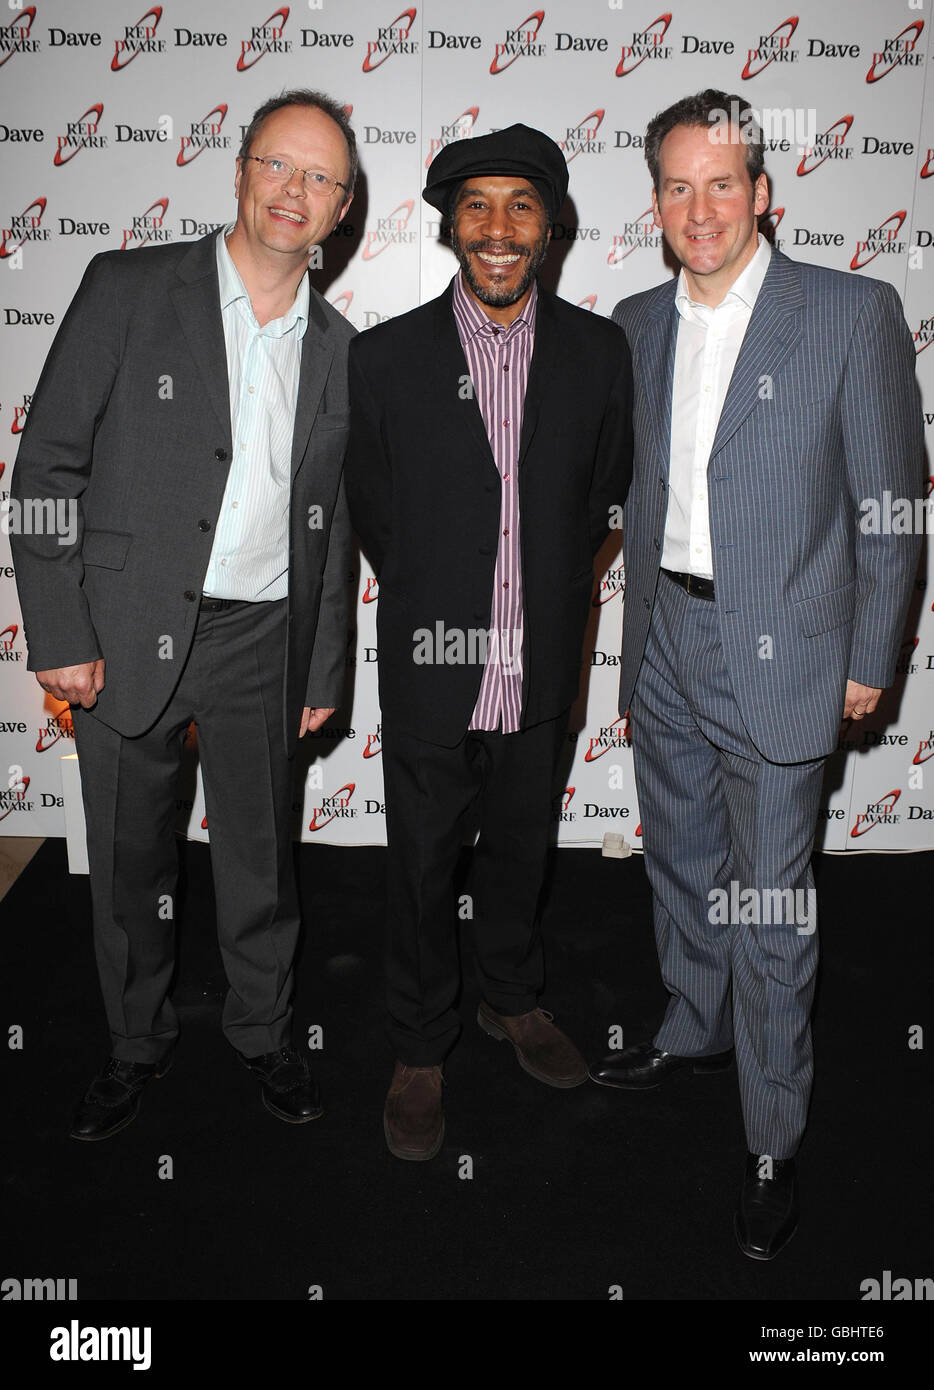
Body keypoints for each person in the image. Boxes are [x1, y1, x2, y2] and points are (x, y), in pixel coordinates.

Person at [591, 90, 924, 1257]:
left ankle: (773, 1132)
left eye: (721, 181)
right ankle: (694, 1024)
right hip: (667, 641)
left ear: (763, 192)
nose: (700, 207)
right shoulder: (631, 323)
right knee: (680, 857)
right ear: (654, 204)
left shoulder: (849, 312)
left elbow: (891, 510)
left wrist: (871, 655)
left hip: (784, 650)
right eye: (677, 186)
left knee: (772, 905)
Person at [10, 89, 357, 1140]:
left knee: (261, 860)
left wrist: (322, 667)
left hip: (262, 639)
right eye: (279, 165)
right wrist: (60, 632)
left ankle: (263, 1032)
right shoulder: (128, 287)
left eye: (321, 178)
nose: (295, 191)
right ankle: (132, 1042)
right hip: (120, 629)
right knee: (126, 862)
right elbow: (44, 468)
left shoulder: (340, 345)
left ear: (342, 210)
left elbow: (332, 521)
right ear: (241, 170)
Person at [345, 124, 632, 1160]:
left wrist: (545, 597)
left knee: (522, 850)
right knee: (420, 866)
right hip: (431, 670)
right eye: (476, 206)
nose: (498, 229)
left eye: (521, 205)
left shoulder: (601, 352)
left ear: (550, 225)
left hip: (542, 662)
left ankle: (514, 996)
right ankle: (420, 1042)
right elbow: (372, 514)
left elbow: (603, 497)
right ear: (447, 225)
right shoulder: (380, 359)